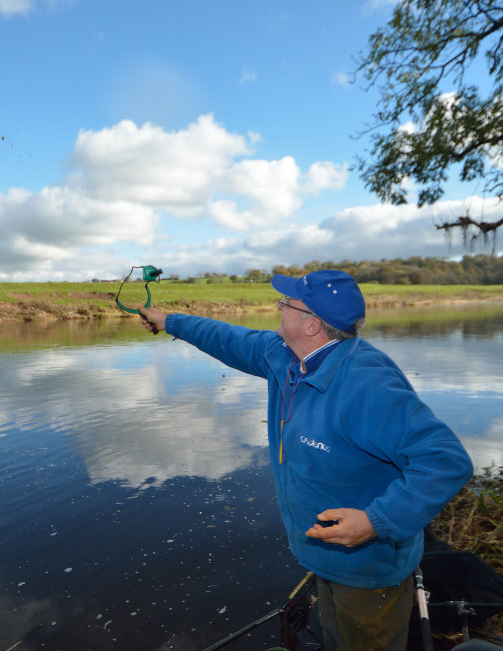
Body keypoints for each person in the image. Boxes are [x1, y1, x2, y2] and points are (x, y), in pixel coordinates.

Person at [138, 269, 474, 651]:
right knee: (335, 639)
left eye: (285, 304)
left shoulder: (367, 384)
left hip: (367, 571)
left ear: (311, 324)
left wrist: (375, 522)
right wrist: (169, 322)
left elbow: (446, 460)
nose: (278, 308)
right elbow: (229, 339)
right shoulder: (285, 356)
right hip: (325, 557)